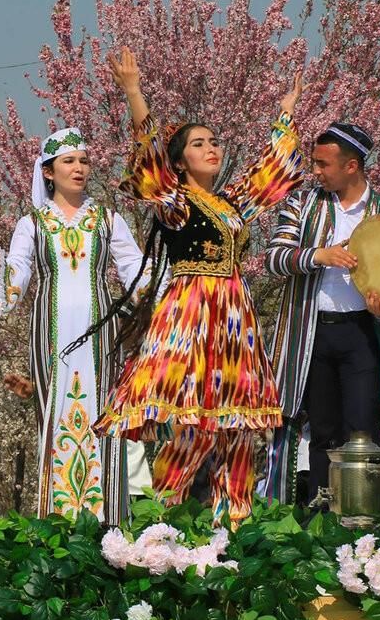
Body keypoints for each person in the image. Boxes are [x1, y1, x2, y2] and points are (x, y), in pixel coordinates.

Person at [85, 47, 305, 526]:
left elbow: (269, 175)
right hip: (192, 313)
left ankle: (236, 528)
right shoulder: (177, 202)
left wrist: (286, 114)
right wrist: (133, 93)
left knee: (237, 430)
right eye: (199, 144)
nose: (212, 148)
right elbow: (150, 168)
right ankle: (153, 527)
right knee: (192, 427)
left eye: (214, 142)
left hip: (234, 317)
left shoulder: (230, 204)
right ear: (181, 161)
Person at [0, 127, 149, 524]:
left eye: (84, 161)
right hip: (51, 333)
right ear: (48, 172)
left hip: (100, 335)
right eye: (68, 162)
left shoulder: (108, 219)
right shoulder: (32, 223)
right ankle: (57, 521)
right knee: (55, 416)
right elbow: (14, 278)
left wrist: (158, 298)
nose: (79, 169)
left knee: (101, 416)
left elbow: (138, 271)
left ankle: (107, 520)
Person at [262, 123, 380, 506]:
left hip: (361, 335)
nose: (316, 172)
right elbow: (274, 258)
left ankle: (359, 515)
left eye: (323, 164)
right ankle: (318, 513)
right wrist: (318, 255)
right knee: (321, 429)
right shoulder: (301, 204)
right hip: (311, 333)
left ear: (352, 166)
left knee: (361, 427)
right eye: (314, 163)